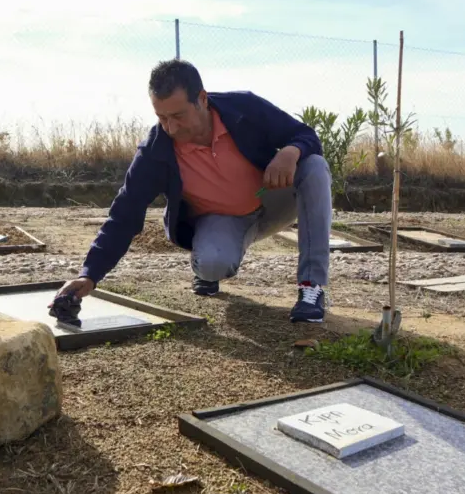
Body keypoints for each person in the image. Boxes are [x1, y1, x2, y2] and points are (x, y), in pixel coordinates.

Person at [55, 59, 333, 323]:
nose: (170, 127)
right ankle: (208, 264)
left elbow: (306, 135)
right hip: (223, 219)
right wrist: (89, 275)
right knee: (213, 263)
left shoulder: (244, 107)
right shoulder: (155, 151)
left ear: (202, 99)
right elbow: (123, 216)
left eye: (178, 115)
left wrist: (290, 150)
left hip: (272, 198)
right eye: (161, 117)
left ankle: (311, 286)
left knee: (314, 166)